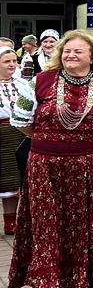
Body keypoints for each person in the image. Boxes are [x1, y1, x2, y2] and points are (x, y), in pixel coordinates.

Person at [8, 31, 93, 288]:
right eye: (66, 51)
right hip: (44, 165)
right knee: (46, 224)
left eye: (78, 51)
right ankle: (46, 284)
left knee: (82, 225)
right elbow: (21, 120)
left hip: (88, 167)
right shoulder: (38, 81)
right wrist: (50, 141)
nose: (70, 56)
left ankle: (78, 280)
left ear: (92, 56)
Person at [0, 46, 33, 235]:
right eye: (7, 61)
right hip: (2, 133)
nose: (12, 64)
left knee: (21, 179)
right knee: (6, 180)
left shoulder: (23, 84)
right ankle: (9, 220)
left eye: (14, 61)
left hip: (22, 133)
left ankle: (18, 222)